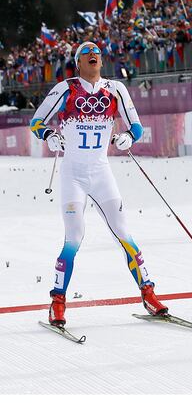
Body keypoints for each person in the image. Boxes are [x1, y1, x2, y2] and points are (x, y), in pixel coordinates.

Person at [29, 41, 167, 327]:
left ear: (101, 61)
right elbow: (37, 120)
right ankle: (57, 302)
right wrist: (49, 136)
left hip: (102, 172)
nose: (93, 56)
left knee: (124, 233)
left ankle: (148, 293)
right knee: (74, 238)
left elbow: (136, 126)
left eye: (97, 54)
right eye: (86, 54)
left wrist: (129, 137)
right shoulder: (66, 88)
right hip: (73, 174)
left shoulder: (116, 89)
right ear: (78, 62)